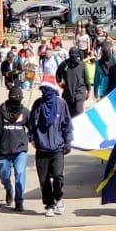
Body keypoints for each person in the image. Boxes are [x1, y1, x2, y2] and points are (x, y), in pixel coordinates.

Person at [29, 83, 73, 217]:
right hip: (41, 148)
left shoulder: (61, 104)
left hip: (57, 148)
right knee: (44, 180)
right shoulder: (38, 104)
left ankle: (58, 197)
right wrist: (32, 138)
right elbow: (31, 123)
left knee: (58, 175)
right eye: (42, 90)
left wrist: (67, 142)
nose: (44, 93)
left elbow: (67, 124)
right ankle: (49, 204)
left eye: (46, 90)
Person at [0, 86, 30, 212]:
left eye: (19, 97)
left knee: (20, 174)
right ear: (9, 97)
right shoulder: (0, 112)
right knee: (3, 175)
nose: (17, 99)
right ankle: (9, 189)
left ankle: (19, 201)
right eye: (15, 97)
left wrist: (33, 139)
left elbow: (33, 127)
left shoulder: (25, 112)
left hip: (20, 150)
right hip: (4, 149)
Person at [56, 47, 89, 116]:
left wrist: (88, 90)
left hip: (79, 92)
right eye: (72, 56)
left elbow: (86, 79)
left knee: (78, 112)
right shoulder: (64, 64)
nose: (74, 58)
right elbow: (58, 74)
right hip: (68, 93)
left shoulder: (82, 64)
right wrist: (60, 83)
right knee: (69, 114)